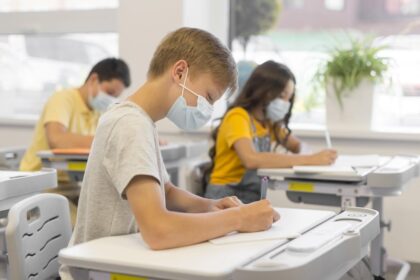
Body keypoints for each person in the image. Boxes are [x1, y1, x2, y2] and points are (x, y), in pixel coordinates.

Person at [60, 27, 280, 280]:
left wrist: (210, 206)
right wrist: (238, 219)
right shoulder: (129, 124)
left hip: (121, 262)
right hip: (100, 271)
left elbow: (166, 191)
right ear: (179, 72)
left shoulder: (141, 121)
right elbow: (158, 231)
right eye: (208, 97)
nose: (206, 109)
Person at [204, 61, 337, 204]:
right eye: (281, 96)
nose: (285, 103)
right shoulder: (237, 117)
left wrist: (307, 154)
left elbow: (297, 145)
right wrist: (310, 160)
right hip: (224, 197)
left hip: (249, 197)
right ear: (263, 91)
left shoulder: (269, 123)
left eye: (289, 98)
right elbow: (251, 159)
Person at [19, 58, 131, 172]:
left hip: (69, 182)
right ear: (94, 79)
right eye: (109, 93)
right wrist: (106, 141)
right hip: (39, 180)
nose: (110, 100)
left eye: (115, 97)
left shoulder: (99, 112)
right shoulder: (63, 98)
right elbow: (56, 140)